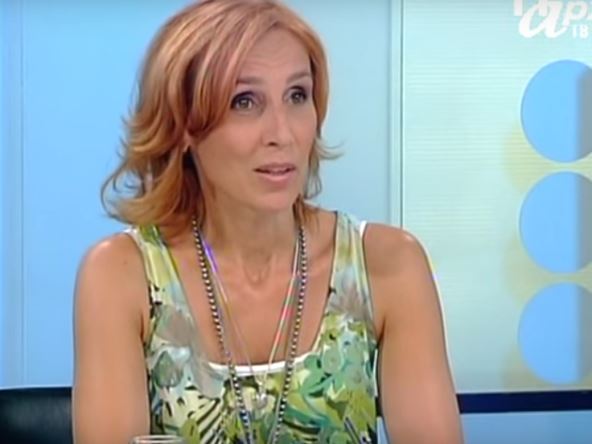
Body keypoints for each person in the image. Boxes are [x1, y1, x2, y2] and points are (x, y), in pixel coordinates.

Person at [72, 0, 463, 443]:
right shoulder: (121, 276)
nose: (283, 133)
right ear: (183, 126)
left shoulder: (387, 266)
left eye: (297, 96)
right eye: (245, 102)